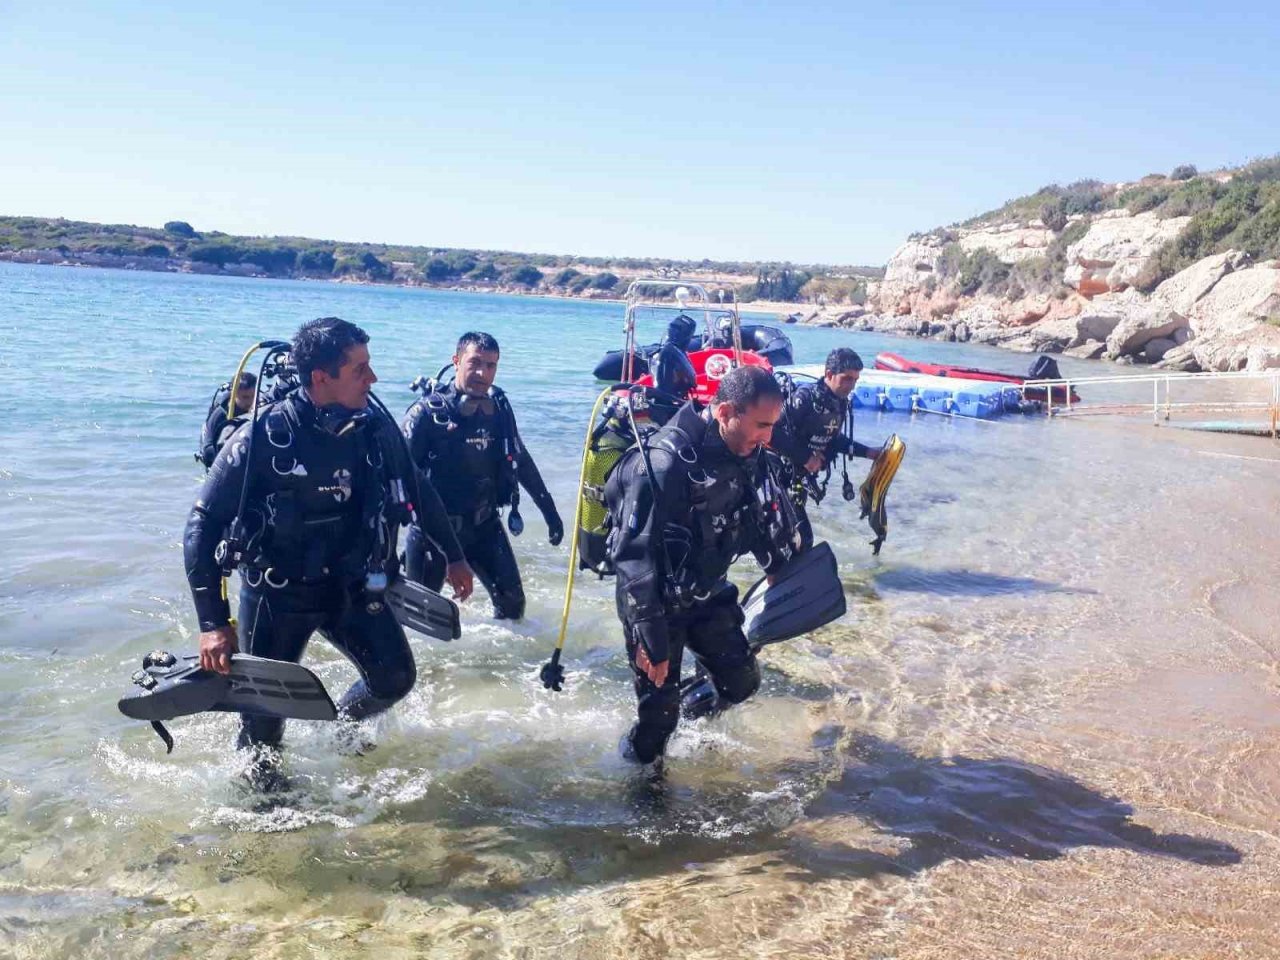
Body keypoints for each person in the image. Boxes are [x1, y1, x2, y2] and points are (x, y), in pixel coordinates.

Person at [184, 317, 473, 787]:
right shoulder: (264, 435)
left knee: (394, 679)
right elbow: (201, 522)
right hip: (278, 595)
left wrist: (455, 556)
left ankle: (338, 727)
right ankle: (264, 809)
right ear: (322, 378)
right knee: (263, 723)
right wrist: (212, 623)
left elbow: (419, 489)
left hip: (350, 587)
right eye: (360, 370)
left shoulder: (374, 425)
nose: (373, 379)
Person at [606, 365, 798, 766]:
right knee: (657, 720)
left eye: (773, 426)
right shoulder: (664, 462)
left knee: (742, 682)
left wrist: (780, 570)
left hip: (707, 593)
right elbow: (631, 556)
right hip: (654, 602)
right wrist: (650, 640)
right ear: (726, 411)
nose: (769, 437)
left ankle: (688, 719)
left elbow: (761, 516)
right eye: (762, 425)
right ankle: (639, 781)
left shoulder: (748, 451)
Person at [401, 332, 563, 621]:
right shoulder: (424, 415)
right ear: (456, 361)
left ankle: (501, 663)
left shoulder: (498, 410)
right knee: (418, 621)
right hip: (433, 535)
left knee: (513, 607)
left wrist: (550, 512)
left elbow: (520, 460)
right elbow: (396, 481)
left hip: (483, 527)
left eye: (491, 366)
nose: (482, 373)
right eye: (474, 363)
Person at [769, 347, 880, 549]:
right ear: (829, 374)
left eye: (855, 380)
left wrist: (869, 452)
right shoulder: (804, 398)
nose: (851, 385)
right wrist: (807, 458)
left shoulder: (840, 403)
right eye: (847, 378)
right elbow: (771, 433)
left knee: (792, 540)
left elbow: (834, 440)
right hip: (777, 474)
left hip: (799, 477)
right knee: (801, 539)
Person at [197, 371, 258, 469]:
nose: (250, 401)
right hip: (221, 456)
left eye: (253, 397)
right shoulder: (220, 415)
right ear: (234, 394)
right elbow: (207, 451)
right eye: (245, 397)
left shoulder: (259, 405)